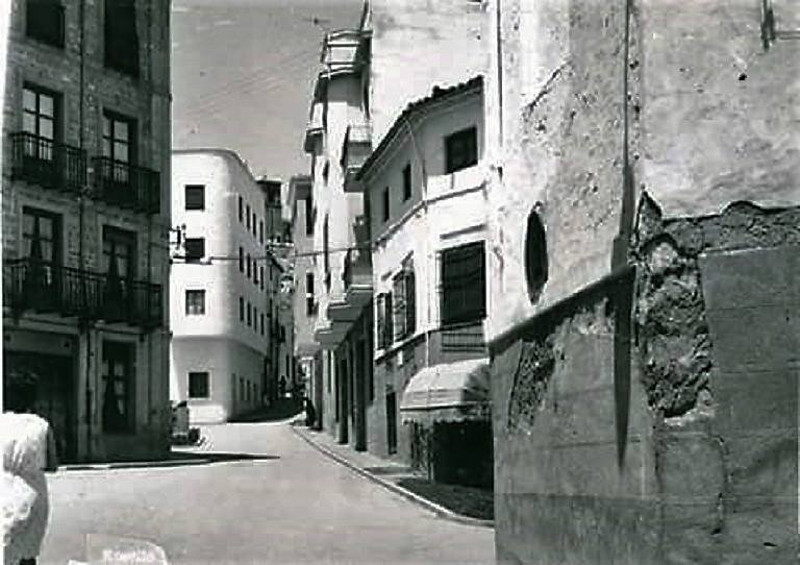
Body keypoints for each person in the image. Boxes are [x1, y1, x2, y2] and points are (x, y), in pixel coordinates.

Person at [2, 371, 58, 565]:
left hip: (4, 492)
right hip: (32, 496)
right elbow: (52, 465)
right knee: (28, 554)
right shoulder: (42, 425)